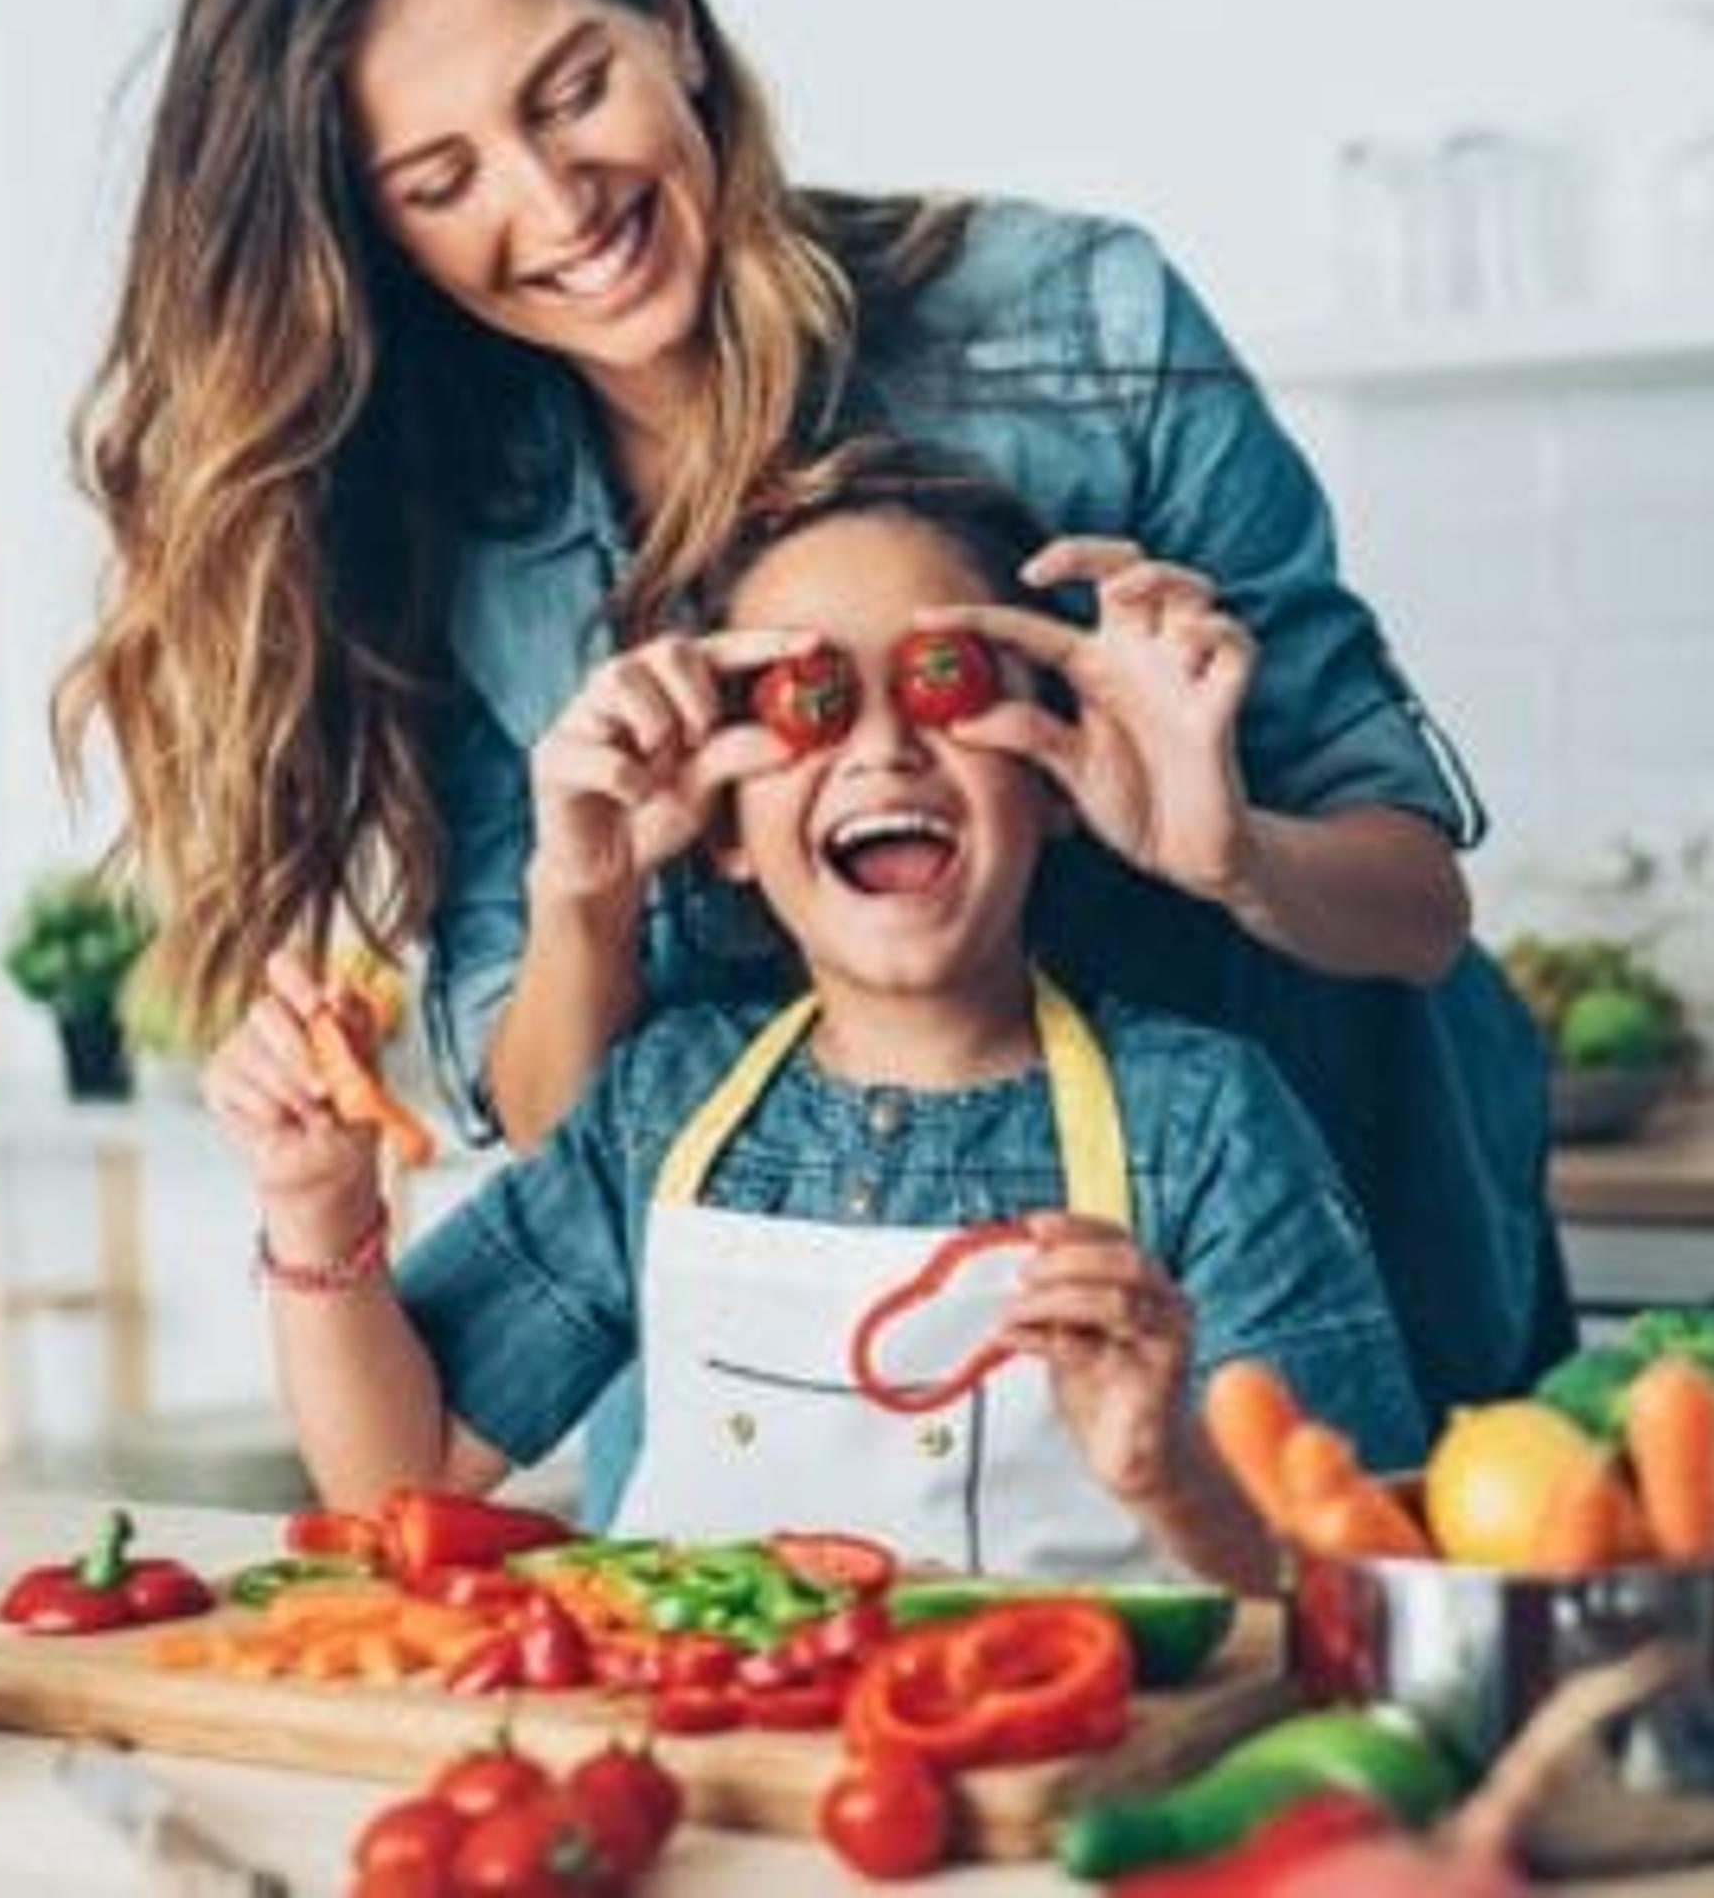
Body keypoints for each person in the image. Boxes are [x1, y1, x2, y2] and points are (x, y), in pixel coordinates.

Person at [58, 0, 1567, 1453]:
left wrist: (1233, 852)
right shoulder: (445, 512)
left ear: (674, 23)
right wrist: (584, 894)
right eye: (441, 179)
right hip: (783, 1381)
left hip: (1275, 1315)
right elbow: (566, 1141)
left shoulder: (1074, 323)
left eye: (575, 89)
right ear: (373, 228)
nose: (556, 199)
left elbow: (1417, 907)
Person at [207, 450, 1426, 1588]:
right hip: (699, 1784)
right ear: (727, 826)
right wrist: (316, 1204)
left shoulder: (1206, 1118)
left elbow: (1356, 1579)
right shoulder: (660, 1101)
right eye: (810, 701)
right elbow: (397, 1479)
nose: (885, 749)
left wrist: (1170, 1472)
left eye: (944, 689)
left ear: (1054, 772)